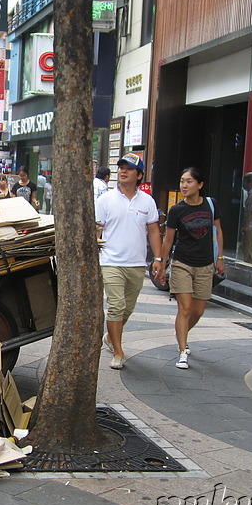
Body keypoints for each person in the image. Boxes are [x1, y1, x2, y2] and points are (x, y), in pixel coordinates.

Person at [96, 153, 163, 370]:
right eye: (121, 167)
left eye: (129, 168)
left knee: (127, 308)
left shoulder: (147, 201)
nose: (123, 171)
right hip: (110, 261)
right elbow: (97, 230)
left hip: (136, 263)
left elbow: (153, 230)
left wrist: (158, 258)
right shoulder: (105, 199)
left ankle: (110, 337)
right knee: (116, 306)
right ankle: (118, 350)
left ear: (139, 175)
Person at [158, 167, 224, 370]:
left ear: (200, 184)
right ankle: (182, 349)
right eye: (181, 181)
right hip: (182, 264)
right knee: (185, 308)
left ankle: (182, 332)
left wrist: (220, 257)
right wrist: (161, 262)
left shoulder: (210, 205)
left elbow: (218, 231)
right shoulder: (177, 210)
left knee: (198, 310)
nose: (184, 186)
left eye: (189, 181)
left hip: (205, 265)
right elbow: (168, 240)